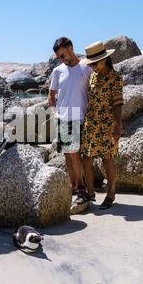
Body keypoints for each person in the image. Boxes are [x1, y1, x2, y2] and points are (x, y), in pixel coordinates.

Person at [81, 41, 124, 210]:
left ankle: (111, 193)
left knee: (107, 159)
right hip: (91, 123)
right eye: (90, 64)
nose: (92, 67)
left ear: (104, 59)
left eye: (95, 63)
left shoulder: (115, 78)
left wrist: (118, 127)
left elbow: (118, 104)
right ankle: (90, 193)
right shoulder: (92, 76)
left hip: (107, 124)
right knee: (87, 158)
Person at [48, 37, 92, 198]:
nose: (61, 59)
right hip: (62, 118)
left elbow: (93, 92)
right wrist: (55, 115)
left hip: (81, 117)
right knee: (68, 154)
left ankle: (81, 187)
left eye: (62, 55)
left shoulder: (87, 68)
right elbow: (51, 96)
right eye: (58, 57)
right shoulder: (57, 71)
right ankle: (76, 187)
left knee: (75, 153)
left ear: (71, 48)